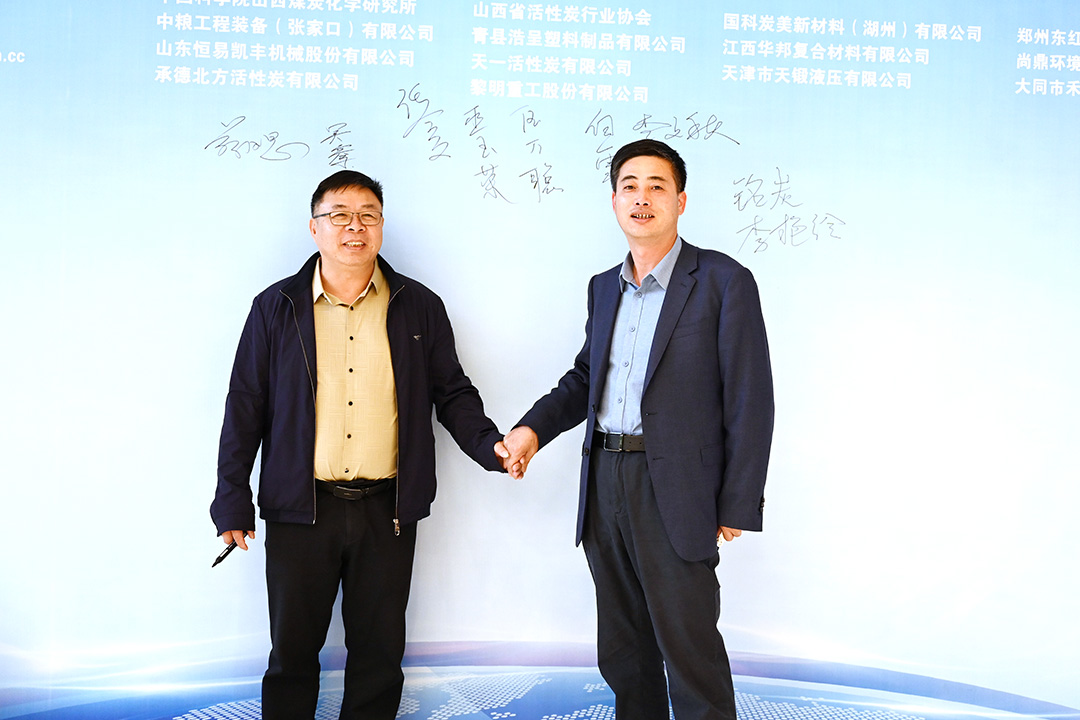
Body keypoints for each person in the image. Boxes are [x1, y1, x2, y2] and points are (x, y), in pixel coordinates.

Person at [211, 170, 507, 719]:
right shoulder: (276, 307)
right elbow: (244, 405)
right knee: (292, 654)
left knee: (379, 657)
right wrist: (231, 498)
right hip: (301, 508)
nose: (355, 227)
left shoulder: (418, 306)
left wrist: (491, 446)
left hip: (387, 509)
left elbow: (452, 392)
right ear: (314, 228)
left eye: (368, 216)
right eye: (340, 216)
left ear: (382, 226)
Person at [501, 139, 774, 719]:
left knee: (690, 650)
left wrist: (737, 501)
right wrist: (531, 431)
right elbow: (585, 377)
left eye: (656, 186)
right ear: (615, 201)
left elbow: (750, 398)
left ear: (680, 200)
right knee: (625, 653)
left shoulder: (724, 280)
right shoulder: (604, 286)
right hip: (605, 479)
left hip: (676, 488)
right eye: (630, 186)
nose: (642, 198)